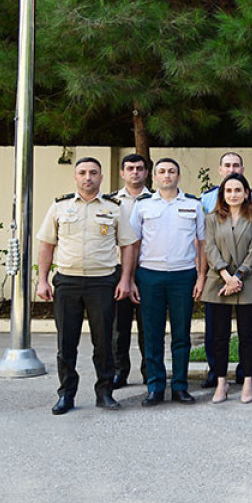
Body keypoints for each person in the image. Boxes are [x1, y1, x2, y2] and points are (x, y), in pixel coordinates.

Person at [35, 158, 135, 414]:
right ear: (75, 177)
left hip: (102, 282)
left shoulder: (114, 208)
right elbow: (47, 244)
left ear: (101, 177)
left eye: (93, 173)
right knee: (66, 343)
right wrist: (42, 279)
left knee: (104, 343)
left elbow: (127, 245)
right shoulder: (60, 206)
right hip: (67, 281)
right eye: (82, 173)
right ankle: (66, 395)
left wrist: (125, 279)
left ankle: (105, 393)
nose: (87, 177)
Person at [130, 158, 206, 406]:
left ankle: (180, 387)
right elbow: (134, 244)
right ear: (154, 177)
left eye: (171, 171)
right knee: (152, 334)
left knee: (181, 335)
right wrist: (130, 278)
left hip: (183, 276)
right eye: (162, 172)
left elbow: (202, 244)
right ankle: (155, 387)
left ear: (179, 176)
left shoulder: (193, 205)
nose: (167, 176)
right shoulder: (143, 206)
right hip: (150, 275)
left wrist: (201, 276)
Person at [200, 151, 252, 389]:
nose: (233, 194)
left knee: (247, 336)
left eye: (238, 190)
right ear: (222, 193)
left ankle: (247, 378)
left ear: (246, 193)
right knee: (218, 336)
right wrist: (226, 276)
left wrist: (238, 277)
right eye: (228, 191)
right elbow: (209, 248)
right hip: (218, 281)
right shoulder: (211, 218)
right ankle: (220, 381)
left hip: (245, 282)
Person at [110, 153, 150, 389]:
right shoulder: (111, 202)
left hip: (147, 270)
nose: (135, 172)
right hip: (117, 271)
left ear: (146, 173)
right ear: (122, 173)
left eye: (139, 168)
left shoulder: (156, 200)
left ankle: (149, 371)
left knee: (149, 326)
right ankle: (119, 371)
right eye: (130, 168)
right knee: (118, 327)